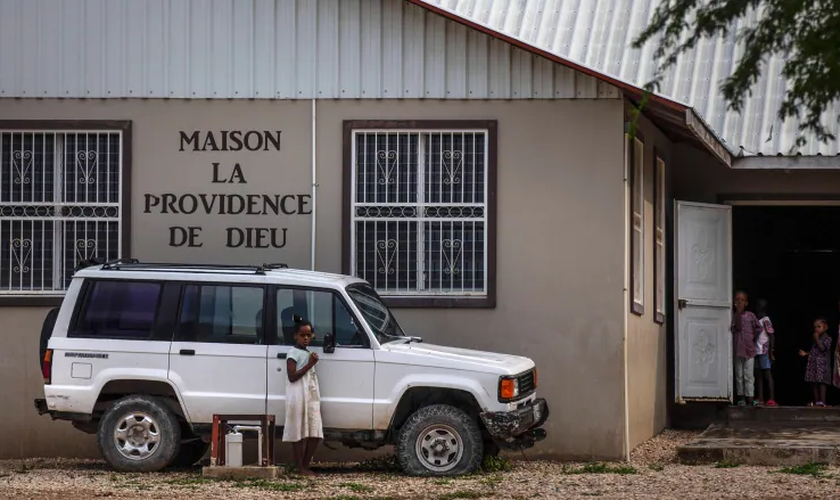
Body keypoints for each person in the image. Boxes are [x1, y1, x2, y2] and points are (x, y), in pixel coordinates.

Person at [282, 317, 323, 476]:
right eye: (302, 335)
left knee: (315, 432)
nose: (306, 338)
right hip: (297, 394)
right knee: (298, 431)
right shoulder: (293, 353)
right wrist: (310, 364)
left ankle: (305, 465)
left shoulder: (307, 353)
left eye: (308, 335)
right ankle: (300, 467)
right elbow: (292, 376)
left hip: (310, 394)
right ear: (295, 336)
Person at [732, 291, 762, 406]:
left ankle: (750, 397)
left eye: (742, 300)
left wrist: (753, 335)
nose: (739, 302)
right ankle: (741, 397)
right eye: (737, 300)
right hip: (738, 351)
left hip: (749, 350)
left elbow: (758, 328)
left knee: (749, 375)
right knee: (739, 375)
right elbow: (738, 327)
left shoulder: (751, 315)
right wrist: (738, 313)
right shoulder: (734, 316)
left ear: (747, 303)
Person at [798, 318, 832, 407]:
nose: (816, 329)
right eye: (815, 327)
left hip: (822, 366)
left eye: (819, 326)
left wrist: (817, 339)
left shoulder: (828, 338)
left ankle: (822, 401)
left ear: (825, 328)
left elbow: (823, 349)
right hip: (814, 365)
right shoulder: (815, 339)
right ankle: (817, 401)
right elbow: (814, 351)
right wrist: (806, 354)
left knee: (821, 383)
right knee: (814, 382)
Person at [754, 299, 777, 406]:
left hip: (764, 351)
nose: (759, 309)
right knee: (758, 374)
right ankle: (760, 398)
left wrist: (771, 352)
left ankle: (772, 398)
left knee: (767, 374)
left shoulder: (765, 320)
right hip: (757, 351)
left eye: (761, 307)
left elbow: (772, 335)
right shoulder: (757, 320)